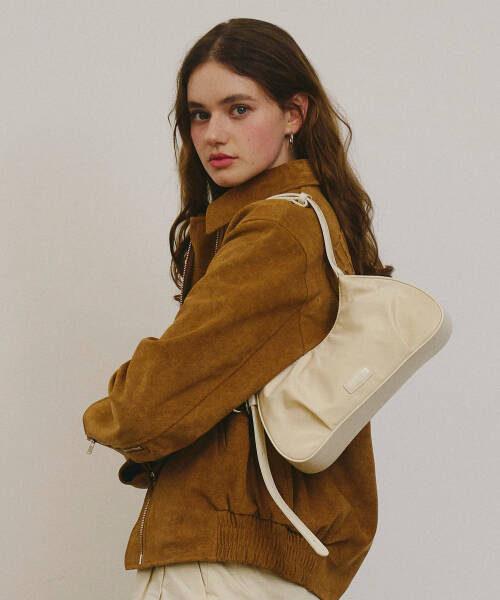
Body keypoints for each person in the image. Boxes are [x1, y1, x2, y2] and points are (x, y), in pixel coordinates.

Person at [82, 17, 394, 600]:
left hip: (222, 561)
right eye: (199, 115)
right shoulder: (291, 222)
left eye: (239, 109)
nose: (213, 134)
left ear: (294, 114)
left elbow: (147, 404)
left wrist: (105, 415)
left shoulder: (277, 230)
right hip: (252, 557)